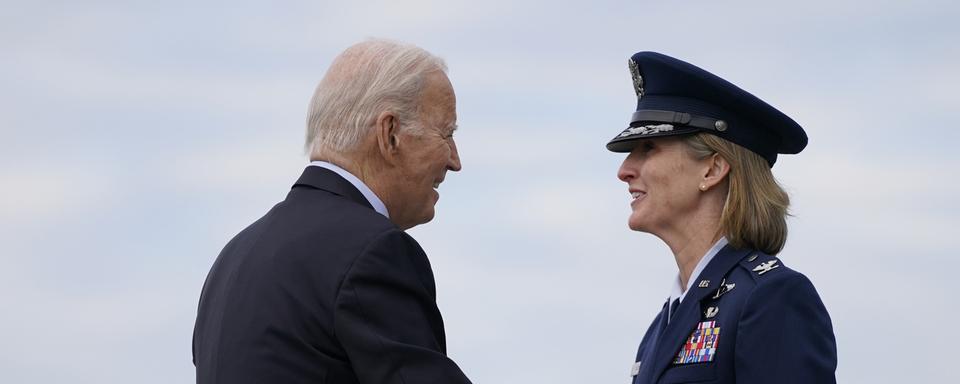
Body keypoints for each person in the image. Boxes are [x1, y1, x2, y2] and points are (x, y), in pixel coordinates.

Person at [192, 39, 471, 384]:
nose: (455, 161)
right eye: (446, 133)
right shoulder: (374, 252)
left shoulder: (233, 258)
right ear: (391, 135)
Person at [607, 52, 837, 384]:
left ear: (712, 169)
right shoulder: (664, 324)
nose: (624, 171)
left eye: (648, 148)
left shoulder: (771, 297)